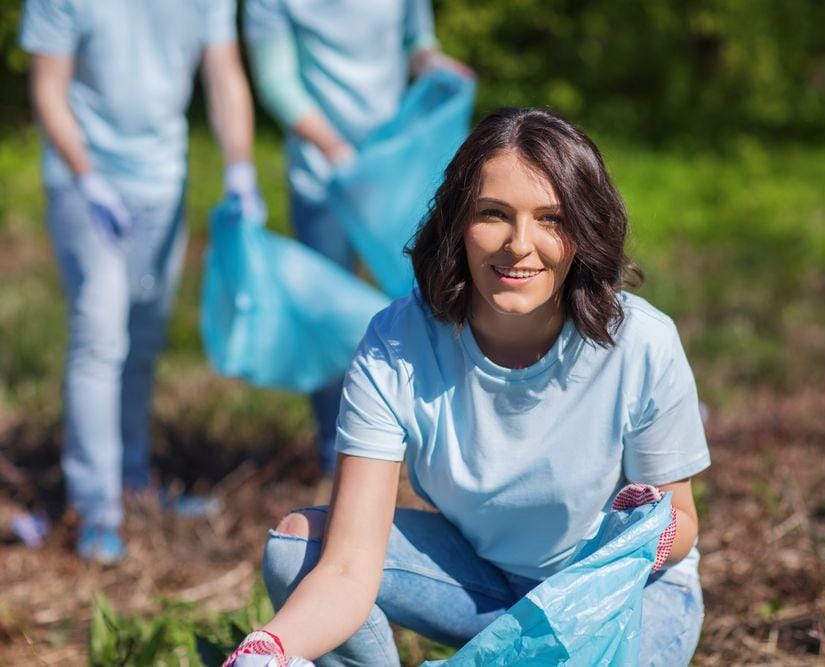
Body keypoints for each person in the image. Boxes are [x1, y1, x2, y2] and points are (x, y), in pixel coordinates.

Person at [226, 108, 711, 666]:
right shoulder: (398, 344)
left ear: (584, 231)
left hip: (619, 597)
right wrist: (268, 649)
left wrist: (639, 535)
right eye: (493, 214)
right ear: (457, 222)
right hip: (483, 582)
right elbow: (347, 566)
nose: (519, 244)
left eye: (552, 219)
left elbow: (683, 524)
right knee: (299, 549)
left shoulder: (641, 343)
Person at [19, 0, 263, 563]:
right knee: (100, 336)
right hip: (87, 181)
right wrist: (86, 175)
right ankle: (94, 509)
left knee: (144, 338)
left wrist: (241, 166)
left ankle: (133, 481)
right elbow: (49, 89)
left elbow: (223, 72)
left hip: (162, 179)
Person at [242, 0, 473, 477]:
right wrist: (333, 149)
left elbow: (417, 45)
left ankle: (426, 445)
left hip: (395, 175)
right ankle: (337, 451)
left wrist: (437, 65)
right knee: (326, 314)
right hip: (324, 179)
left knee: (427, 302)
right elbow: (275, 82)